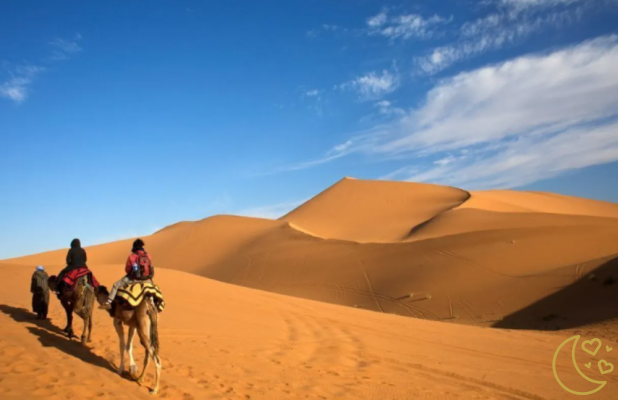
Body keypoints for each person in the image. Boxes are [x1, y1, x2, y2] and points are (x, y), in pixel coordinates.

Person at [100, 238, 154, 310]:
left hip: (134, 279)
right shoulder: (148, 255)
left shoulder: (132, 256)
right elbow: (150, 267)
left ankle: (108, 303)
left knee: (116, 285)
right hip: (147, 279)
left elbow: (127, 270)